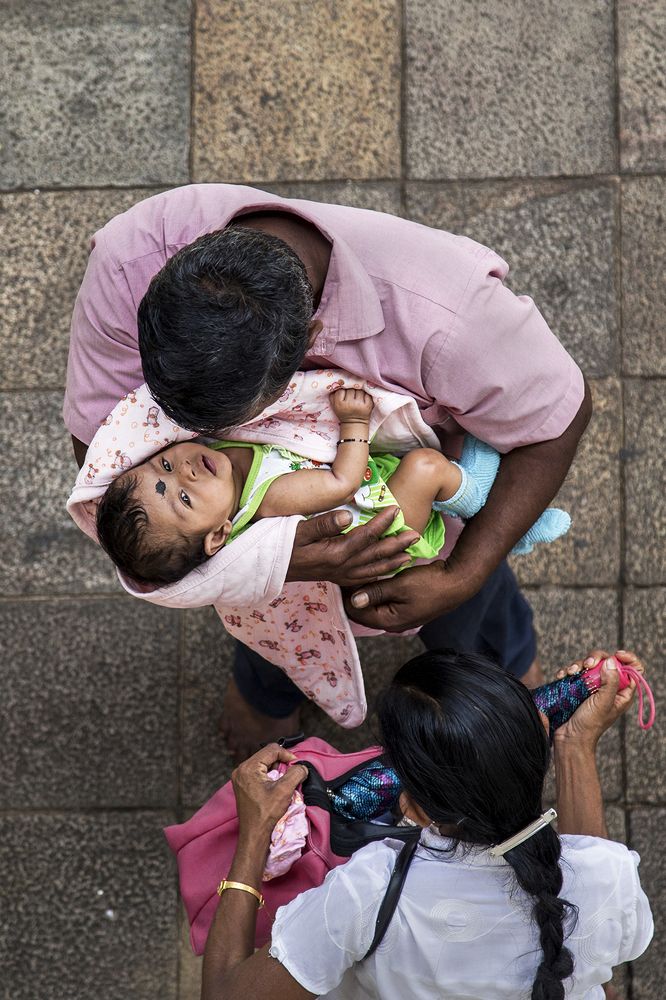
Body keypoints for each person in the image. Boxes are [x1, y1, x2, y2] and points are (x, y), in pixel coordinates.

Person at [64, 185, 592, 755]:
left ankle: (502, 664)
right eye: (167, 432)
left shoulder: (454, 320)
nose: (186, 453)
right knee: (273, 626)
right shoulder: (130, 263)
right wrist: (267, 563)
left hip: (430, 543)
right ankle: (268, 689)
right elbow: (101, 451)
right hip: (269, 604)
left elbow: (561, 418)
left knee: (473, 624)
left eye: (221, 422)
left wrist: (461, 575)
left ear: (312, 344)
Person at [198, 649, 652, 1000]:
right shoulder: (608, 875)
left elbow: (224, 994)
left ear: (412, 810)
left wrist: (255, 833)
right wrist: (575, 742)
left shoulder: (369, 891)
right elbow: (603, 897)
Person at [95, 388, 569, 586]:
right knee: (427, 467)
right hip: (376, 514)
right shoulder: (268, 497)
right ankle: (503, 518)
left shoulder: (215, 455)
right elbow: (339, 482)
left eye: (164, 464)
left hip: (369, 483)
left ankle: (492, 500)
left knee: (436, 464)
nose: (185, 472)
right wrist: (356, 420)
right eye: (182, 498)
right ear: (219, 535)